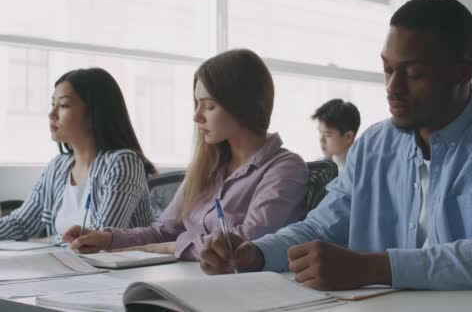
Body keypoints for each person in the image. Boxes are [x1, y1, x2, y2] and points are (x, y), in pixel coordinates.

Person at [200, 0, 472, 291]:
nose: (393, 88)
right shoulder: (375, 145)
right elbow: (320, 228)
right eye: (388, 70)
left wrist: (374, 267)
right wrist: (256, 254)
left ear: (463, 70)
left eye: (414, 73)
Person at [63, 49, 309, 260]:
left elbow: (245, 243)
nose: (197, 116)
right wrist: (107, 238)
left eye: (209, 105)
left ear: (243, 106)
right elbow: (163, 231)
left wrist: (173, 247)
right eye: (197, 103)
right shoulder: (207, 168)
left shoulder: (285, 168)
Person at [0, 68, 156, 242]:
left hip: (117, 269)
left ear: (94, 113)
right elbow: (20, 223)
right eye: (53, 104)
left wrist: (43, 241)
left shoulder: (123, 162)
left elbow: (96, 240)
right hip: (67, 266)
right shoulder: (58, 166)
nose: (52, 114)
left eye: (64, 105)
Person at [311, 99, 360, 173]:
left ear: (348, 137)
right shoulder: (318, 166)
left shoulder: (358, 170)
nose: (321, 139)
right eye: (320, 132)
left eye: (328, 134)